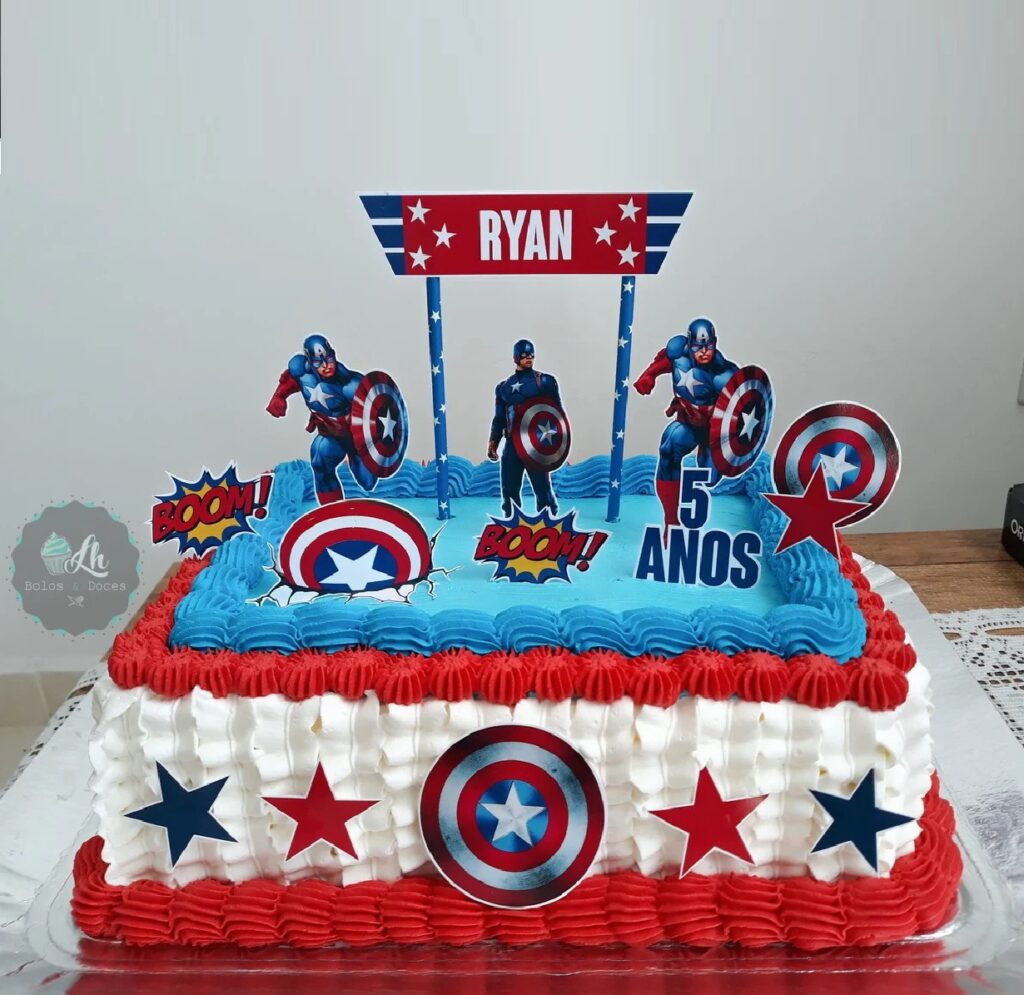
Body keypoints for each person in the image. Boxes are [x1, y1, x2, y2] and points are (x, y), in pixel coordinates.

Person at [633, 317, 737, 529]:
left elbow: (745, 407)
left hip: (713, 433)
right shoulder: (678, 353)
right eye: (698, 346)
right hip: (687, 423)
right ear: (689, 344)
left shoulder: (724, 374)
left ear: (715, 343)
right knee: (668, 448)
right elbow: (662, 363)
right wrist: (648, 376)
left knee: (709, 478)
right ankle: (671, 521)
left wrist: (735, 442)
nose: (704, 352)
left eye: (709, 346)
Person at [266, 334, 377, 504]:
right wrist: (279, 397)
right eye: (319, 362)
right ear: (310, 362)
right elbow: (290, 381)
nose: (326, 366)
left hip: (356, 439)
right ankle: (332, 510)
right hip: (330, 436)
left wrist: (377, 440)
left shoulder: (350, 384)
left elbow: (379, 407)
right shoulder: (301, 372)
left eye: (329, 358)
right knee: (319, 462)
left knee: (368, 482)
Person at [487, 339, 563, 517]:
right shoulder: (504, 387)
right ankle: (511, 525)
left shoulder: (545, 381)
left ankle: (549, 525)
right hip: (512, 444)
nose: (529, 358)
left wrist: (554, 444)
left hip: (535, 443)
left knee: (542, 489)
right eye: (524, 355)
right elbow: (499, 418)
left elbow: (557, 415)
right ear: (515, 357)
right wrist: (493, 442)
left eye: (531, 355)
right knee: (509, 490)